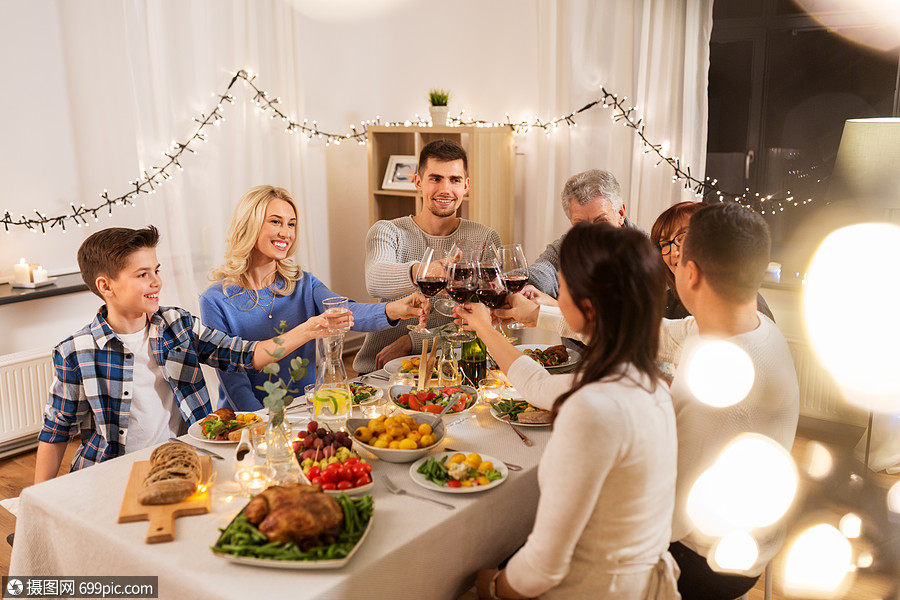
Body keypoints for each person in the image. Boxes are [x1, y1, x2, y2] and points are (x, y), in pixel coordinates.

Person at [457, 224, 679, 599]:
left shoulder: (593, 409)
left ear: (587, 307)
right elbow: (542, 386)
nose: (556, 296)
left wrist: (493, 586)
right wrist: (484, 329)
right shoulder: (650, 382)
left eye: (562, 287)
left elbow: (543, 567)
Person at [35, 225, 327, 483]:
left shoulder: (178, 325)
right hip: (111, 474)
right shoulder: (75, 352)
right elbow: (57, 431)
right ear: (105, 286)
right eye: (142, 274)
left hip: (184, 462)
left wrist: (308, 329)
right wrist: (37, 503)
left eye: (156, 270)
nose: (156, 281)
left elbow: (244, 355)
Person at [660, 202, 799, 598]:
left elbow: (666, 516)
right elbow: (660, 334)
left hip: (705, 558)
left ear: (691, 272)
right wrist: (542, 313)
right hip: (759, 529)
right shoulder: (758, 328)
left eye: (679, 254)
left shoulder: (717, 385)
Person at [200, 185, 427, 411]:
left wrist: (395, 309)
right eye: (275, 222)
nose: (286, 233)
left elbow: (346, 311)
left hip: (305, 409)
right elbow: (234, 383)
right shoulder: (216, 300)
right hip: (250, 420)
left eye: (291, 224)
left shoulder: (302, 283)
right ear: (250, 224)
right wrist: (265, 425)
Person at [353, 139, 501, 374]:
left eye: (454, 180)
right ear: (418, 182)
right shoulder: (388, 231)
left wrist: (413, 342)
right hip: (382, 371)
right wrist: (424, 271)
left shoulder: (484, 238)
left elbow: (485, 317)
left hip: (455, 368)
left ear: (466, 185)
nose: (445, 189)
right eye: (435, 178)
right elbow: (375, 279)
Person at [651, 201, 774, 321]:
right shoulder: (665, 302)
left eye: (683, 238)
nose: (674, 252)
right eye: (665, 244)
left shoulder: (747, 309)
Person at [527, 169, 642, 298]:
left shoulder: (653, 250)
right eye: (581, 225)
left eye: (601, 221)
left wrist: (555, 306)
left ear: (620, 214)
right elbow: (542, 272)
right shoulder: (567, 246)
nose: (592, 235)